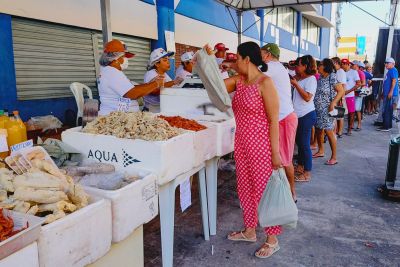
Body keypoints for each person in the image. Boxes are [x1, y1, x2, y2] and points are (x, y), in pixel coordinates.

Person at [219, 42, 282, 259]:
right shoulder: (240, 81)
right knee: (245, 189)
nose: (235, 62)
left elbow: (274, 121)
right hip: (242, 144)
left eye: (237, 58)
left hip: (261, 146)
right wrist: (214, 64)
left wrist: (276, 153)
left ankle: (272, 239)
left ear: (247, 59)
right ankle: (249, 230)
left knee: (264, 193)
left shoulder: (265, 83)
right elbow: (216, 86)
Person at [261, 43, 298, 202]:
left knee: (284, 159)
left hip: (283, 119)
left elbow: (252, 75)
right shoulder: (276, 68)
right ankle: (284, 193)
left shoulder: (273, 67)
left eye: (261, 53)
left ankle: (291, 194)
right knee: (279, 159)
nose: (259, 56)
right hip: (282, 118)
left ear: (268, 54)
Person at [97, 39, 164, 115]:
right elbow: (132, 93)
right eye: (124, 57)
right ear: (116, 58)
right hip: (115, 118)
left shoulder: (110, 71)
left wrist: (150, 84)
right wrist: (155, 84)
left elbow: (130, 88)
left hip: (120, 115)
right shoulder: (112, 72)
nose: (126, 60)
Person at [290, 55, 317, 182]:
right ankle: (300, 167)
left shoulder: (311, 79)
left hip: (306, 115)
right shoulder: (299, 78)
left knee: (304, 145)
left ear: (305, 66)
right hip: (298, 115)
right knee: (300, 144)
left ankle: (307, 172)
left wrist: (296, 85)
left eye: (298, 65)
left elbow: (307, 97)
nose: (296, 67)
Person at [313, 59, 344, 165]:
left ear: (326, 66)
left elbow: (341, 91)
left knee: (329, 131)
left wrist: (333, 103)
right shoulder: (321, 77)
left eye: (320, 64)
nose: (318, 66)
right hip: (318, 109)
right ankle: (321, 151)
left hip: (328, 109)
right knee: (318, 129)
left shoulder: (332, 76)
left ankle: (334, 157)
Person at [143, 48, 183, 112]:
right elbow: (154, 90)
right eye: (165, 60)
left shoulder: (165, 75)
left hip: (162, 107)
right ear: (157, 64)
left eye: (168, 60)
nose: (168, 62)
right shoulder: (150, 74)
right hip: (151, 110)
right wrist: (173, 82)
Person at [378, 57, 399, 131]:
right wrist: (384, 92)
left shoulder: (393, 70)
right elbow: (387, 83)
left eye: (387, 63)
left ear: (393, 64)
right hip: (387, 94)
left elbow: (394, 81)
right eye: (385, 63)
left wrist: (390, 92)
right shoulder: (390, 71)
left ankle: (386, 126)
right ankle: (387, 125)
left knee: (387, 110)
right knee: (387, 110)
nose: (385, 64)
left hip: (390, 94)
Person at [341, 58, 360, 136]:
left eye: (343, 64)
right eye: (341, 64)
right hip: (341, 96)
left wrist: (348, 91)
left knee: (351, 113)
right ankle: (339, 130)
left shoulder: (354, 72)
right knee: (340, 113)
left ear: (347, 64)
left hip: (350, 96)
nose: (342, 66)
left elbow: (358, 84)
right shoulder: (340, 72)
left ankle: (349, 129)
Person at [331, 57, 347, 138]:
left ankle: (339, 132)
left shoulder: (341, 72)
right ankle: (336, 131)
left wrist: (341, 98)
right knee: (336, 115)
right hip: (336, 96)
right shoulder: (336, 71)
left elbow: (343, 85)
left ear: (336, 63)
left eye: (332, 62)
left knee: (340, 115)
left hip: (339, 96)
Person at [352, 60, 366, 131]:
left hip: (358, 93)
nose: (351, 65)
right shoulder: (352, 72)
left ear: (357, 65)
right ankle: (351, 125)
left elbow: (364, 83)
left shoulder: (360, 72)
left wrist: (357, 85)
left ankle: (359, 125)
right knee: (352, 110)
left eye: (353, 64)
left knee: (357, 110)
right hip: (352, 93)